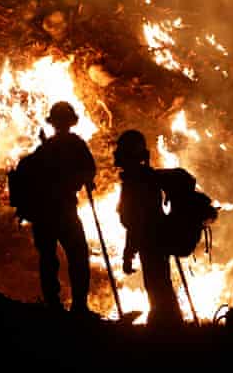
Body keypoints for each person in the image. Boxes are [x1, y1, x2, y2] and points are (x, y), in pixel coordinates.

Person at [28, 102, 97, 317]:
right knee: (78, 256)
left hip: (42, 213)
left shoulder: (44, 148)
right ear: (69, 122)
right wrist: (85, 179)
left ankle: (53, 304)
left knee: (49, 259)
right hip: (63, 210)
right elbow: (90, 169)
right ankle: (78, 306)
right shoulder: (75, 144)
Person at [114, 130, 183, 327]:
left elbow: (136, 220)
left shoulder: (137, 181)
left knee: (156, 283)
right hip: (155, 237)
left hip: (151, 239)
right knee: (160, 282)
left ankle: (164, 325)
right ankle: (168, 323)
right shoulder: (146, 177)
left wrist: (128, 253)